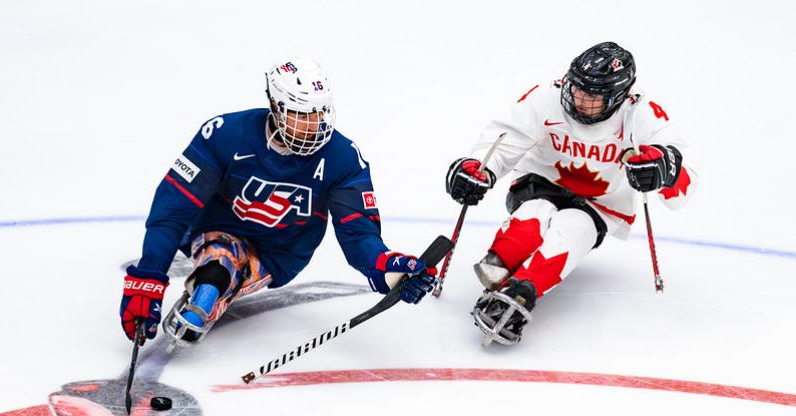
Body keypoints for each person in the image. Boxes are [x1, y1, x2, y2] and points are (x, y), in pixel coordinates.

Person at [120, 56, 437, 347]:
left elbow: (358, 234)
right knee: (219, 265)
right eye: (302, 114)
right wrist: (148, 277)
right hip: (216, 226)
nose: (314, 126)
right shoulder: (223, 135)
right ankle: (211, 282)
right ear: (276, 107)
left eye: (320, 113)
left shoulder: (344, 158)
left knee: (221, 271)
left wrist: (386, 267)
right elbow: (173, 208)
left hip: (280, 252)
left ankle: (213, 285)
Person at [445, 42, 697, 346]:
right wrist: (480, 169)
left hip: (600, 204)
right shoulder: (546, 96)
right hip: (540, 183)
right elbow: (506, 137)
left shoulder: (641, 113)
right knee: (532, 216)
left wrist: (664, 168)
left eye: (592, 96)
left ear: (618, 97)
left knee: (572, 228)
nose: (578, 98)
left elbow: (683, 184)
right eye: (577, 88)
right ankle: (503, 260)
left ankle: (521, 293)